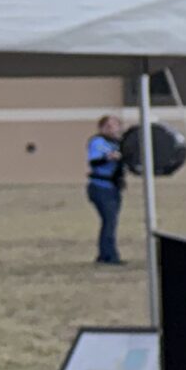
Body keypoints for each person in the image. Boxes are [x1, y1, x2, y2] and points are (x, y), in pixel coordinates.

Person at [86, 113, 128, 265]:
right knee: (109, 221)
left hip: (114, 187)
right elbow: (94, 162)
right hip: (100, 187)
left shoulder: (119, 143)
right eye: (109, 126)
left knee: (111, 222)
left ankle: (105, 254)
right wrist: (109, 157)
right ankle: (110, 256)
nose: (113, 129)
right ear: (102, 128)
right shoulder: (98, 142)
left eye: (116, 125)